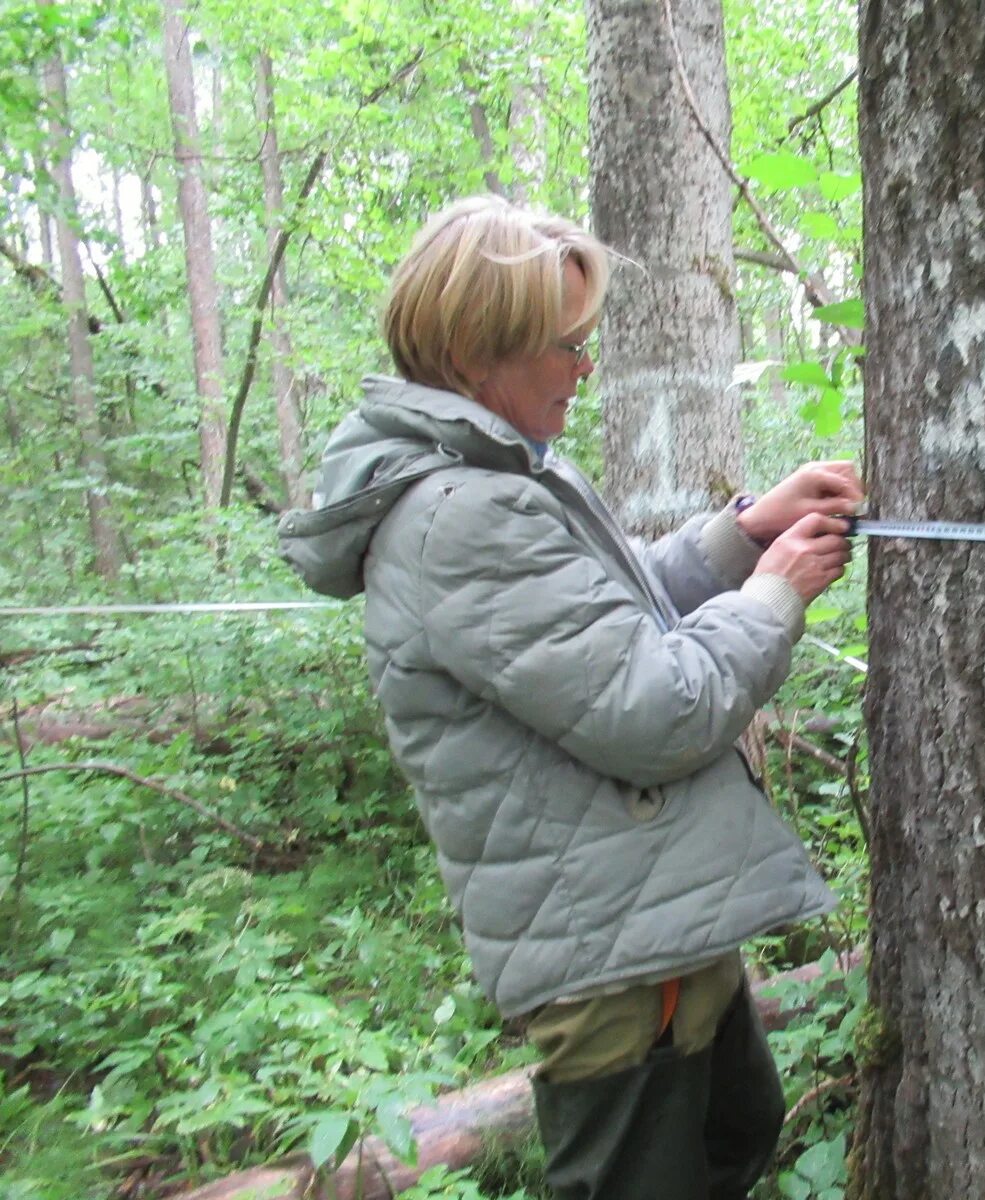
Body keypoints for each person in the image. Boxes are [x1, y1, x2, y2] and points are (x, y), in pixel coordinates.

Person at [278, 195, 863, 1199]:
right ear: (475, 349)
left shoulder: (499, 474)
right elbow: (655, 707)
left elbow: (605, 607)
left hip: (647, 915)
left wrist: (744, 534)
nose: (584, 371)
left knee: (734, 1132)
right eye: (565, 346)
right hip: (612, 951)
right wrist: (777, 592)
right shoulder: (457, 512)